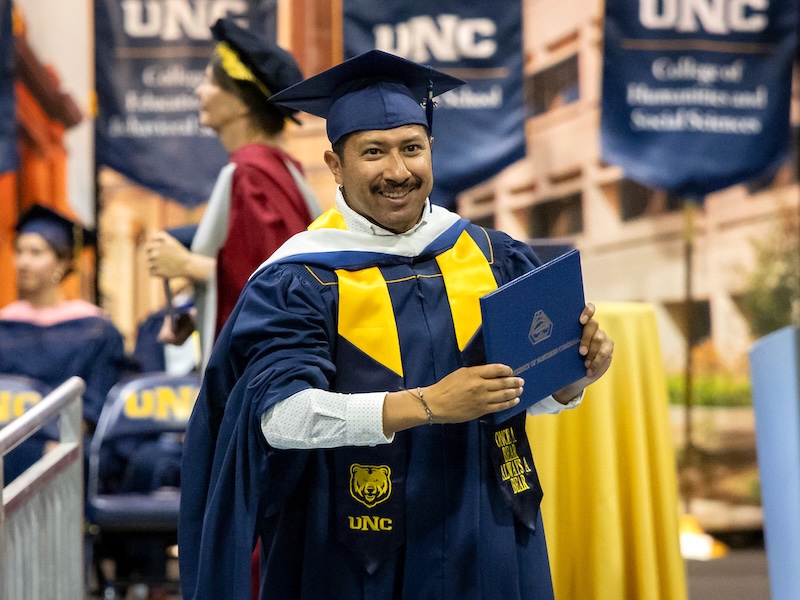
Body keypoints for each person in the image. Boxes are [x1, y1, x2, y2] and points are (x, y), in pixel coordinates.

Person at [178, 50, 614, 600]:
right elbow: (279, 419)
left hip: (486, 531)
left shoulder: (492, 256)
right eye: (373, 152)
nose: (398, 171)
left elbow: (522, 389)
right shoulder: (300, 279)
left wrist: (575, 375)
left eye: (412, 148)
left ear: (431, 149)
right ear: (335, 166)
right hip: (351, 548)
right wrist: (426, 405)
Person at [144, 18, 320, 369]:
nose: (199, 91)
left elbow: (275, 284)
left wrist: (187, 266)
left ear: (241, 103)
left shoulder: (252, 175)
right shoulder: (279, 168)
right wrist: (199, 314)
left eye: (209, 81)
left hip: (261, 378)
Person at [0, 203, 126, 483]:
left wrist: (66, 442)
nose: (23, 262)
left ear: (63, 261)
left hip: (63, 444)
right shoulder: (5, 323)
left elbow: (98, 400)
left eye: (36, 252)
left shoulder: (95, 328)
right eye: (19, 252)